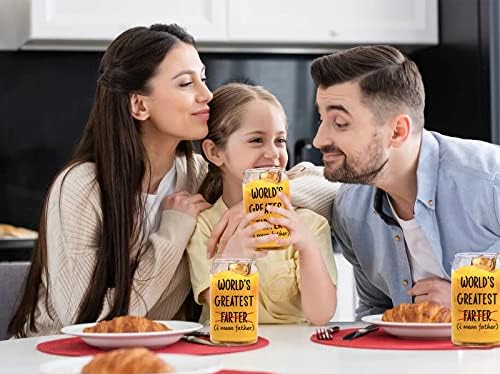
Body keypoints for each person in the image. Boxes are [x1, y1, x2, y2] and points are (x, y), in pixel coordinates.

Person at [9, 24, 336, 337]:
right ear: (139, 104)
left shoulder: (197, 173)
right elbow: (86, 319)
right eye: (185, 83)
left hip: (168, 352)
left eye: (203, 79)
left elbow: (330, 190)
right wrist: (172, 232)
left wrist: (262, 196)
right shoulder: (82, 186)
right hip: (54, 353)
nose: (206, 94)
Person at [310, 45, 500, 319]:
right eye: (321, 119)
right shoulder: (350, 209)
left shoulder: (489, 181)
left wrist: (472, 300)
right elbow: (376, 312)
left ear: (398, 131)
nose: (319, 140)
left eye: (339, 123)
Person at [186, 83, 338, 325]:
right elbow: (223, 314)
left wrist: (307, 246)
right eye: (257, 140)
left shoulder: (310, 224)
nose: (273, 153)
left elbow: (320, 316)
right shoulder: (204, 227)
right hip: (229, 348)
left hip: (296, 355)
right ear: (214, 152)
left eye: (279, 140)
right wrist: (235, 258)